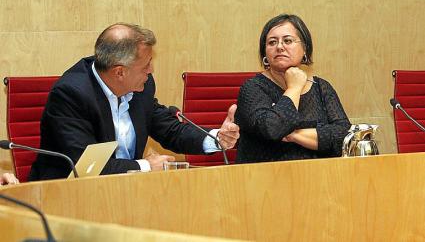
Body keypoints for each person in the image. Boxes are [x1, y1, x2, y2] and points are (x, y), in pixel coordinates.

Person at [29, 23, 239, 180]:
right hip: (63, 197)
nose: (151, 70)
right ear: (119, 72)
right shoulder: (71, 94)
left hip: (125, 192)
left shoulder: (141, 85)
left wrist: (216, 138)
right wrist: (145, 167)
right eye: (146, 65)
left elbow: (168, 129)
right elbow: (86, 167)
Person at [235, 14, 350, 163]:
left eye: (287, 41)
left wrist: (293, 134)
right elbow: (273, 129)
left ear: (305, 49)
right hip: (265, 179)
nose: (279, 47)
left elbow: (344, 137)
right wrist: (294, 87)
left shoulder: (322, 88)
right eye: (272, 42)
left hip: (320, 178)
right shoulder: (252, 88)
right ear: (265, 53)